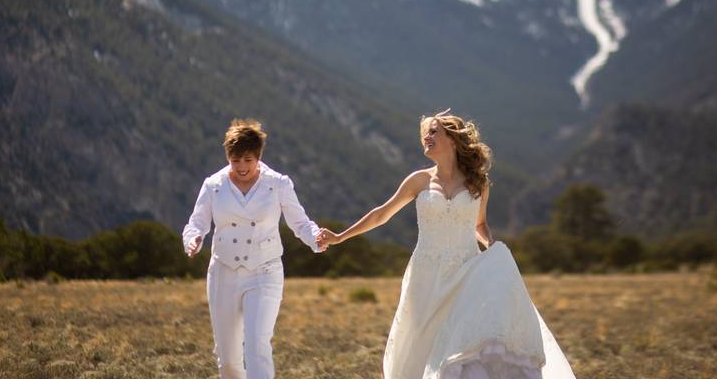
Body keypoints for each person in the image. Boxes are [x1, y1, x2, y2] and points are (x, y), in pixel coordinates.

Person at [318, 110, 576, 379]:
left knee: (461, 342)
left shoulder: (478, 182)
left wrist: (491, 245)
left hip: (466, 273)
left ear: (452, 139)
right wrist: (339, 237)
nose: (426, 138)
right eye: (424, 134)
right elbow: (381, 214)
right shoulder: (418, 180)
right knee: (419, 343)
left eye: (433, 131)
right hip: (425, 275)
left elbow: (479, 224)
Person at [183, 118, 325, 379]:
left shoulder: (278, 184)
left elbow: (300, 222)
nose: (242, 167)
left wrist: (316, 237)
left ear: (258, 156)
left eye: (248, 160)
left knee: (258, 346)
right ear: (228, 157)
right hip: (223, 273)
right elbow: (197, 223)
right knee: (227, 358)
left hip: (264, 271)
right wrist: (193, 239)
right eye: (235, 160)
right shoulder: (213, 185)